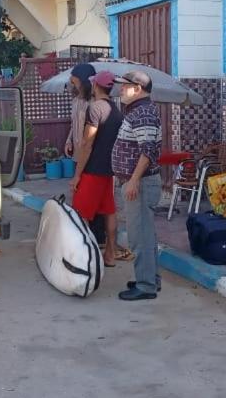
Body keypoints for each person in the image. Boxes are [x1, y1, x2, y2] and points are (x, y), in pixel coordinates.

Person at [112, 70, 163, 301]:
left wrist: (132, 180)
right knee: (146, 235)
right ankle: (150, 280)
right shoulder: (139, 111)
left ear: (137, 89)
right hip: (137, 182)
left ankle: (145, 286)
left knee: (139, 237)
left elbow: (148, 150)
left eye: (124, 85)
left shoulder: (142, 113)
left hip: (139, 184)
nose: (120, 89)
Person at [69, 70, 123, 266]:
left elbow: (87, 144)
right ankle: (110, 254)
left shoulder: (95, 108)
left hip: (92, 171)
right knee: (109, 211)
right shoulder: (116, 111)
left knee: (80, 215)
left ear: (96, 86)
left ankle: (82, 259)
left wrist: (77, 175)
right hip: (108, 171)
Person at [63, 62, 94, 161]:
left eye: (75, 82)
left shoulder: (93, 102)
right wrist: (69, 140)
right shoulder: (75, 101)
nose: (73, 85)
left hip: (90, 154)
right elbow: (74, 124)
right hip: (77, 152)